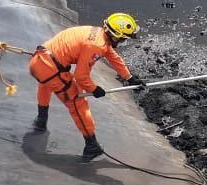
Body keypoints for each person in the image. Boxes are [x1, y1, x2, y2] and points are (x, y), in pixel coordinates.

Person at [28, 13, 146, 161]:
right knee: (77, 103)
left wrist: (129, 78)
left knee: (45, 85)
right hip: (49, 69)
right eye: (123, 38)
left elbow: (112, 56)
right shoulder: (96, 45)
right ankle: (91, 145)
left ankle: (41, 121)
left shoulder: (98, 34)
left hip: (40, 59)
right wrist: (94, 89)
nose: (124, 41)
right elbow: (81, 77)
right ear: (115, 36)